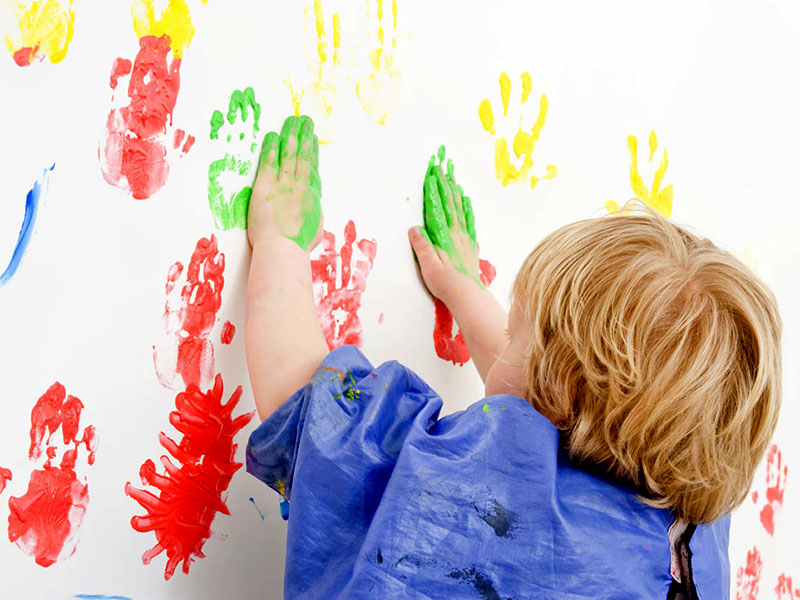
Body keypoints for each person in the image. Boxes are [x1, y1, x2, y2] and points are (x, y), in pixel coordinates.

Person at [244, 115, 782, 599]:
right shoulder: (693, 534)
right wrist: (464, 288)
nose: (505, 341)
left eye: (514, 332)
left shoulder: (476, 502)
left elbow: (315, 411)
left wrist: (279, 243)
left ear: (559, 394)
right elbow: (543, 403)